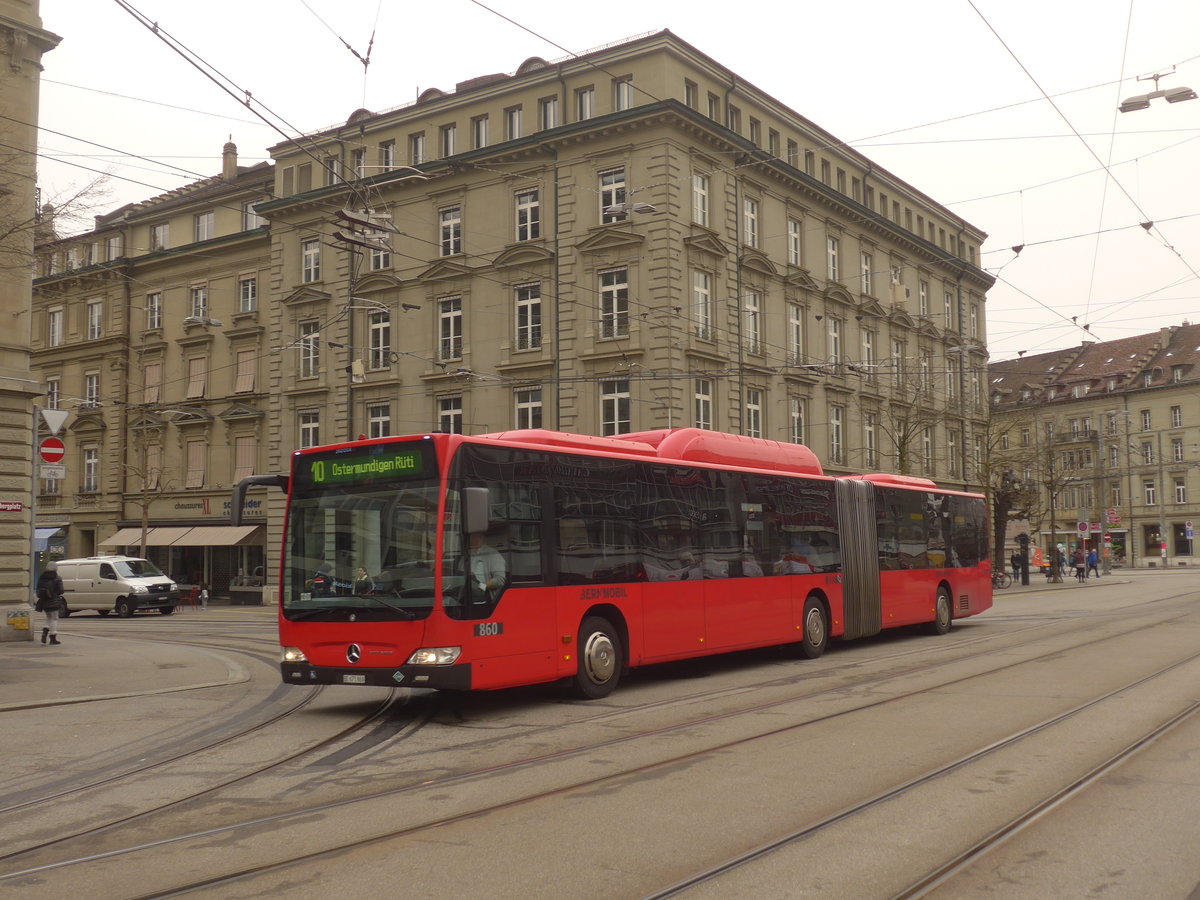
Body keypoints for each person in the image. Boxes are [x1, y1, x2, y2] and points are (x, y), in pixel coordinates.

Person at [469, 533, 506, 601]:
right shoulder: (468, 554)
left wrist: (480, 586)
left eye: (474, 537)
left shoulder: (493, 554)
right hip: (467, 594)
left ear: (481, 538)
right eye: (470, 537)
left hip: (484, 595)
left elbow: (500, 580)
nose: (470, 540)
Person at [35, 563, 65, 645]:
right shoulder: (57, 578)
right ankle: (53, 638)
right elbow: (61, 590)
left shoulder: (42, 577)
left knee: (48, 617)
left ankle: (45, 631)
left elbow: (38, 589)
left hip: (44, 601)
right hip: (54, 601)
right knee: (54, 619)